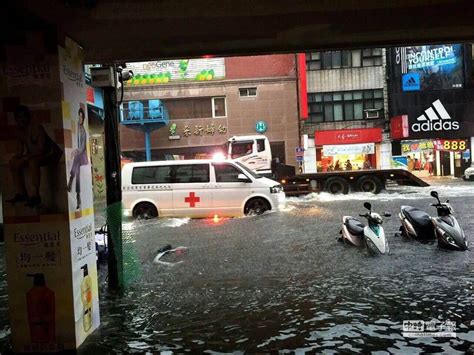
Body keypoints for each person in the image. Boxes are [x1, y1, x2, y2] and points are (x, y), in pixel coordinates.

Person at [7, 105, 62, 208]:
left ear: (28, 117)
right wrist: (16, 159)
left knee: (33, 162)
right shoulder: (20, 131)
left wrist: (24, 158)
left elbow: (40, 150)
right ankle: (21, 193)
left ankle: (35, 195)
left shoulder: (36, 128)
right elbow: (20, 150)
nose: (21, 120)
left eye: (23, 117)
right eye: (19, 118)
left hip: (50, 154)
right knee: (13, 162)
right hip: (35, 155)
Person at [67, 108, 89, 210]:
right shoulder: (77, 126)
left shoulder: (83, 131)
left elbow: (82, 147)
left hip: (82, 156)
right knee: (78, 175)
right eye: (79, 116)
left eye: (82, 117)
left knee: (76, 158)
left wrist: (76, 151)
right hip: (78, 157)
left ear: (83, 118)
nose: (80, 119)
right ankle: (78, 197)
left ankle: (71, 180)